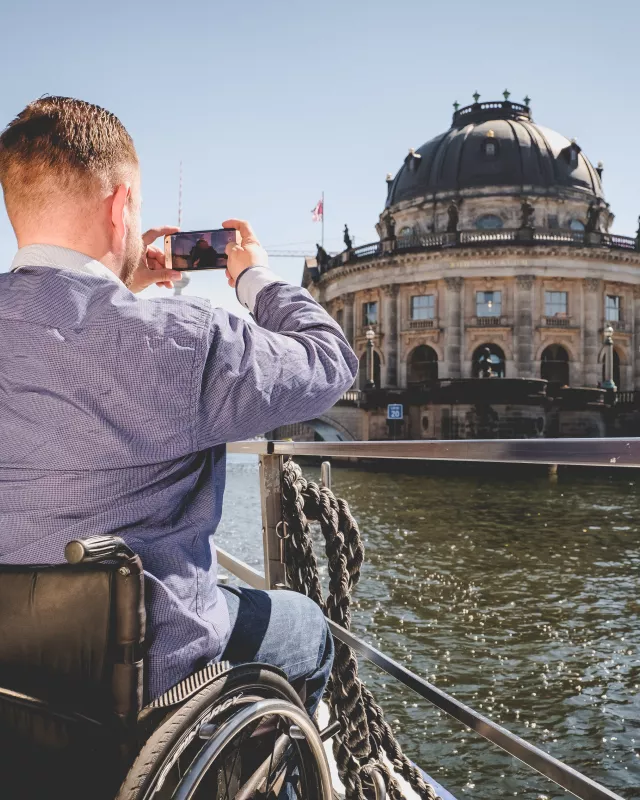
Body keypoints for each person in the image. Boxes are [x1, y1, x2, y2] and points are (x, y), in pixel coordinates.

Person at [0, 97, 358, 716]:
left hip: (15, 676)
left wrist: (121, 281)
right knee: (305, 626)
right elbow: (329, 361)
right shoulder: (182, 338)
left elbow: (61, 332)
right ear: (121, 207)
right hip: (151, 680)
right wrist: (257, 280)